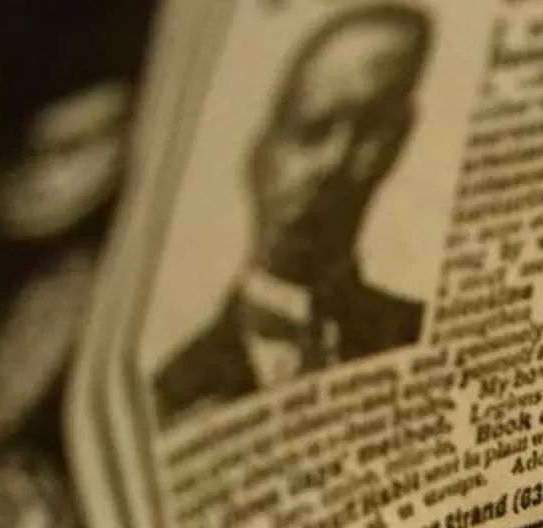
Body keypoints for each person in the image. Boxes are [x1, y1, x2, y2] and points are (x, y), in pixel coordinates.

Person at [157, 5, 430, 422]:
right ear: (259, 155)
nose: (335, 161)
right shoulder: (171, 393)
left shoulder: (417, 332)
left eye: (371, 127)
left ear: (399, 141)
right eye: (312, 128)